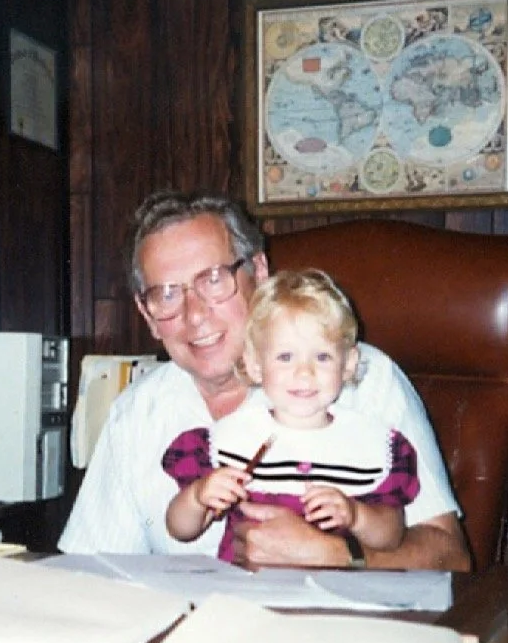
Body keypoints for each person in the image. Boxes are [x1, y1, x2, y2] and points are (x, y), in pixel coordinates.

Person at [58, 190, 471, 572]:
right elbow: (92, 570)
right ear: (147, 314)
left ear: (258, 271)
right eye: (167, 294)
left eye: (214, 279)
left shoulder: (359, 379)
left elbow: (451, 557)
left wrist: (334, 554)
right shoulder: (138, 409)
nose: (195, 313)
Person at [162, 268, 418, 563]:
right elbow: (179, 529)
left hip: (334, 598)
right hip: (247, 597)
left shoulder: (370, 442)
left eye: (322, 357)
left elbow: (392, 534)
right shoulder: (231, 438)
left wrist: (357, 515)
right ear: (255, 365)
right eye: (285, 357)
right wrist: (197, 497)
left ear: (348, 364)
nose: (305, 372)